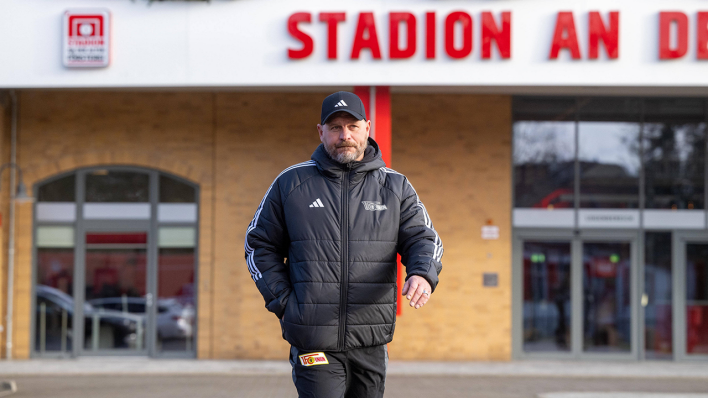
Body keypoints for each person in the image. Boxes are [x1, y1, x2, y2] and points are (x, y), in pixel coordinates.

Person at [244, 91, 443, 398]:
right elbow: (258, 244)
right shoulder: (292, 183)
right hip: (313, 337)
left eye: (352, 126)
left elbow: (424, 238)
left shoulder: (395, 186)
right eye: (335, 127)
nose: (344, 135)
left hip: (371, 339)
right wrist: (285, 303)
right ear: (320, 132)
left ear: (368, 127)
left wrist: (423, 273)